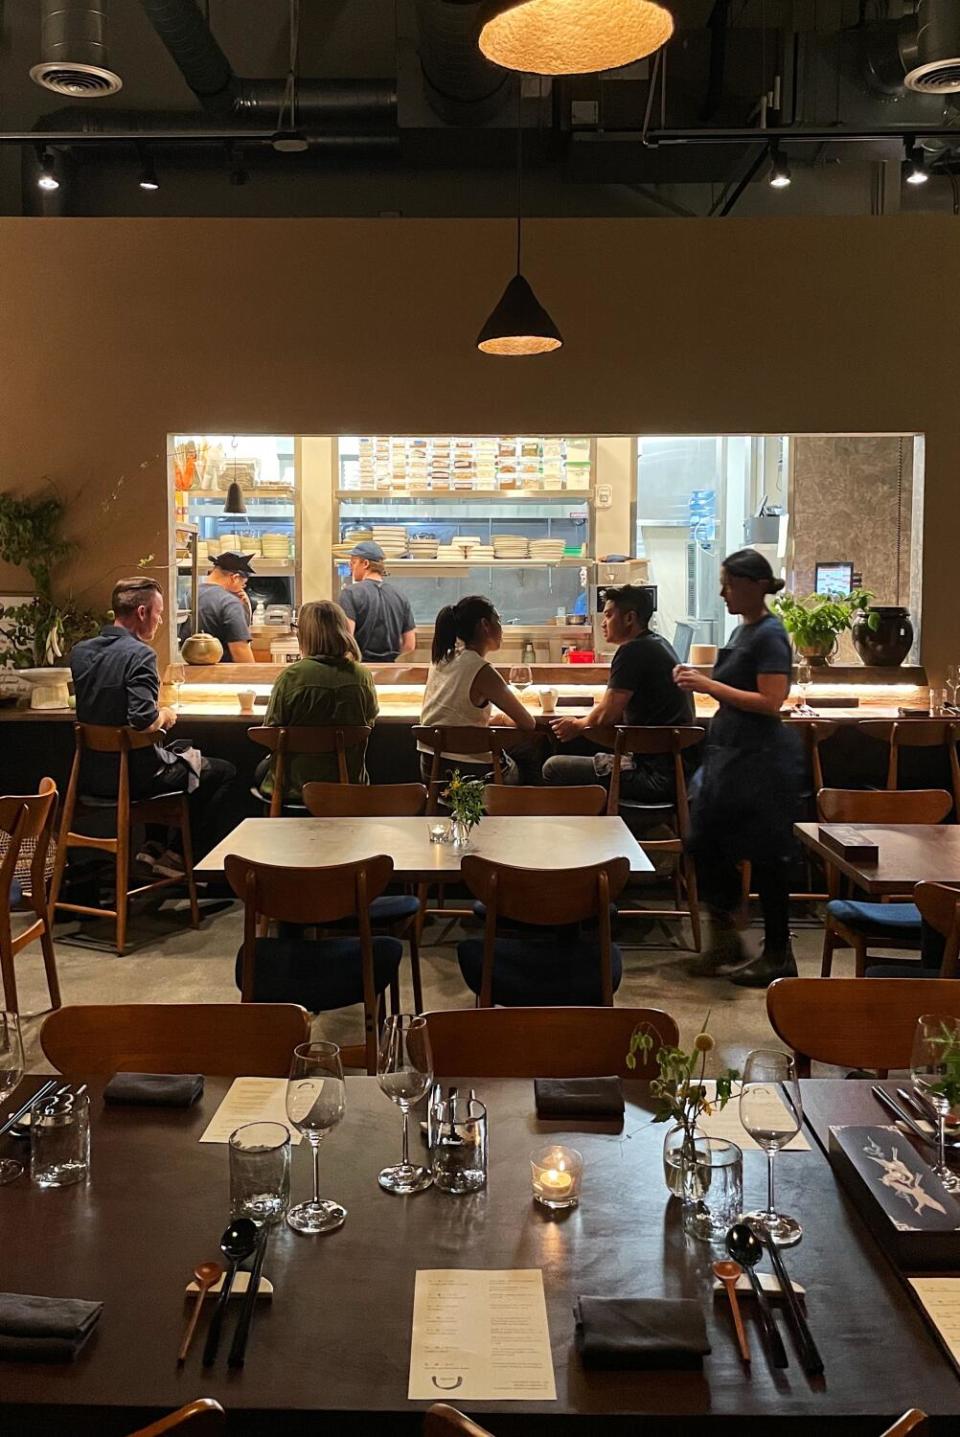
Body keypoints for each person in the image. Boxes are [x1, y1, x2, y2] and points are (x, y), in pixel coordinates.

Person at [673, 547, 803, 987]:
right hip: (731, 758)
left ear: (755, 585)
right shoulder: (744, 632)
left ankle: (777, 954)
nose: (723, 592)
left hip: (759, 762)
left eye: (729, 583)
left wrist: (706, 683)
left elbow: (771, 701)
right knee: (703, 843)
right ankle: (726, 940)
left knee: (767, 857)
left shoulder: (769, 634)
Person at [69, 577, 238, 873]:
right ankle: (178, 857)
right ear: (143, 613)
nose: (160, 621)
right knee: (221, 771)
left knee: (176, 752)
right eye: (159, 614)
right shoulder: (140, 655)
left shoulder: (81, 652)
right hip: (135, 778)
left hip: (90, 776)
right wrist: (167, 714)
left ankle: (153, 847)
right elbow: (143, 720)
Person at [543, 584, 694, 801]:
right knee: (578, 743)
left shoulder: (632, 650)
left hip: (653, 776)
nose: (603, 623)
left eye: (608, 615)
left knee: (553, 767)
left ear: (629, 618)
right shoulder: (658, 643)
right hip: (678, 771)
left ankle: (599, 831)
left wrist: (576, 725)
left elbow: (607, 715)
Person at [257, 599, 379, 803]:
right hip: (347, 783)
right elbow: (369, 723)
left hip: (293, 787)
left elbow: (271, 731)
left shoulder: (291, 677)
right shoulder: (362, 677)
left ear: (305, 634)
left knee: (261, 769)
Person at [418, 595, 537, 788]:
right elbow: (528, 723)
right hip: (471, 775)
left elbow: (455, 712)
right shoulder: (482, 670)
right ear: (485, 625)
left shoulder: (440, 659)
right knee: (530, 749)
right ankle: (520, 812)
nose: (502, 628)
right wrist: (503, 720)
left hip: (432, 769)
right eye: (498, 620)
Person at [338, 541, 417, 663]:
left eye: (353, 562)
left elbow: (346, 639)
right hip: (390, 671)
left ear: (365, 563)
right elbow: (410, 645)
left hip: (360, 670)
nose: (350, 567)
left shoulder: (350, 593)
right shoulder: (400, 595)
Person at [179, 552, 256, 664]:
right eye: (243, 584)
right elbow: (241, 653)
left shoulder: (189, 595)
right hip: (222, 676)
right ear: (234, 578)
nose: (242, 588)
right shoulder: (230, 603)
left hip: (190, 672)